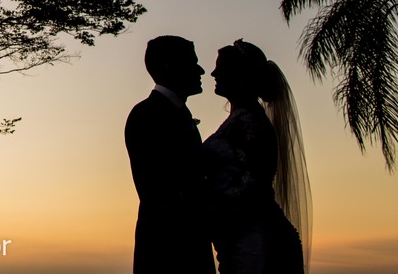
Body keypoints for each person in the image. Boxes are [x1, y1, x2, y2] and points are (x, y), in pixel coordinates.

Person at [203, 40, 311, 274]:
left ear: (239, 77)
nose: (213, 73)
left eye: (220, 68)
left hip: (256, 241)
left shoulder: (251, 123)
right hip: (240, 236)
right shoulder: (239, 120)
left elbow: (252, 183)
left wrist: (207, 211)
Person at [125, 35, 216, 274]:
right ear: (168, 66)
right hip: (167, 251)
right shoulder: (146, 114)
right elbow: (158, 191)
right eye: (192, 62)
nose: (201, 70)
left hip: (189, 246)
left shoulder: (175, 113)